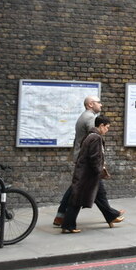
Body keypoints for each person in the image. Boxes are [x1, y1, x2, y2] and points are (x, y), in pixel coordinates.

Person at [61, 115, 124, 233]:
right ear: (101, 125)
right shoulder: (96, 138)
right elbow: (94, 157)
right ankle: (67, 226)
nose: (107, 130)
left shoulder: (90, 136)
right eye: (107, 127)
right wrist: (99, 170)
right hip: (88, 175)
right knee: (76, 201)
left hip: (87, 174)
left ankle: (111, 216)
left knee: (99, 195)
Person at [53, 95, 102, 227]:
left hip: (81, 157)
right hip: (86, 159)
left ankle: (61, 215)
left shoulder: (83, 116)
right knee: (83, 188)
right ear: (90, 104)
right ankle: (65, 218)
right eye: (98, 102)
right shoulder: (90, 118)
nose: (101, 105)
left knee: (82, 187)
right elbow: (94, 138)